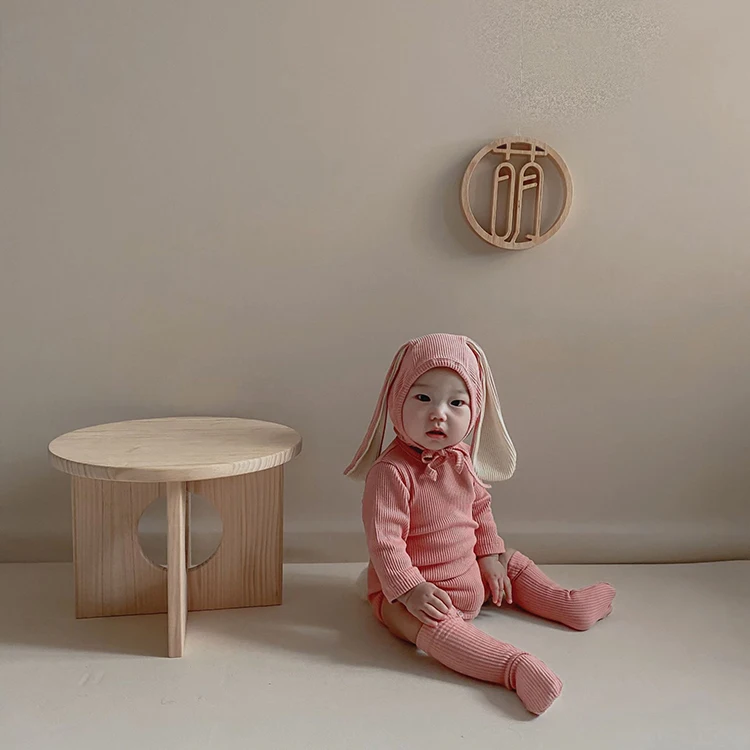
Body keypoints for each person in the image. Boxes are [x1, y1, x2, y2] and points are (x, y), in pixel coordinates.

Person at [345, 333, 615, 714]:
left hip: (469, 573)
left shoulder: (462, 458)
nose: (439, 413)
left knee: (508, 560)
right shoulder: (391, 472)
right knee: (419, 621)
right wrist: (411, 589)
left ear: (475, 411)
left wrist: (489, 557)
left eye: (456, 402)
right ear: (396, 399)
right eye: (422, 398)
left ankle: (567, 604)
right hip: (418, 593)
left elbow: (480, 508)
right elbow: (385, 542)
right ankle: (512, 667)